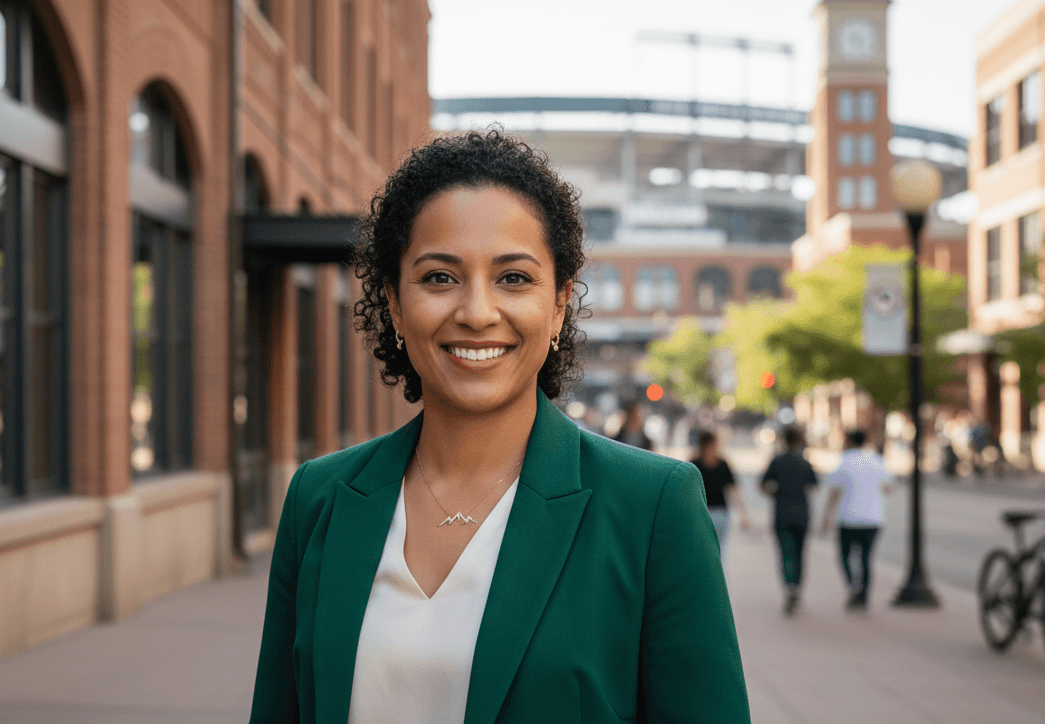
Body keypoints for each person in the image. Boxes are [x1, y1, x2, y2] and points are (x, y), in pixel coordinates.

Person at [248, 131, 749, 724]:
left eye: (513, 278)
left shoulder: (653, 506)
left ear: (559, 304)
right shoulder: (319, 498)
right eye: (440, 277)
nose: (478, 312)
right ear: (395, 303)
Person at [819, 429, 894, 611]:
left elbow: (834, 491)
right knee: (866, 559)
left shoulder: (844, 461)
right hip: (873, 519)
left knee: (845, 556)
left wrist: (827, 517)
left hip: (848, 518)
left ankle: (853, 585)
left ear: (849, 442)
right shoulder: (876, 460)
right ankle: (863, 596)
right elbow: (888, 488)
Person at [760, 425, 818, 615]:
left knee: (786, 553)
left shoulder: (777, 461)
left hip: (782, 514)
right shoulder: (804, 462)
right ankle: (796, 587)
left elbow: (763, 484)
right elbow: (814, 485)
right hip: (802, 514)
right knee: (800, 554)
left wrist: (776, 492)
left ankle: (790, 586)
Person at [693, 430, 751, 558]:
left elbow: (734, 490)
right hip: (710, 513)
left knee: (705, 552)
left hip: (710, 513)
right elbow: (735, 490)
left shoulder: (694, 465)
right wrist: (743, 514)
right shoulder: (721, 464)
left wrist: (743, 514)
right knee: (717, 551)